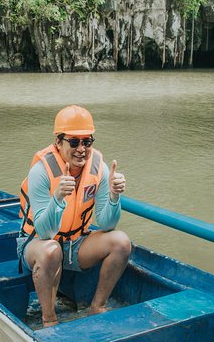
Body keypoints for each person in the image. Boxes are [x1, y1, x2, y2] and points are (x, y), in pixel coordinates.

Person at [17, 105, 131, 328]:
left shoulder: (99, 168)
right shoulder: (41, 171)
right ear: (58, 142)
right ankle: (49, 318)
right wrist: (59, 197)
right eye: (74, 141)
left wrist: (114, 197)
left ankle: (97, 306)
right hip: (38, 246)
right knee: (51, 250)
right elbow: (45, 232)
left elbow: (107, 223)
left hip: (75, 243)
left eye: (87, 142)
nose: (82, 149)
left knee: (121, 242)